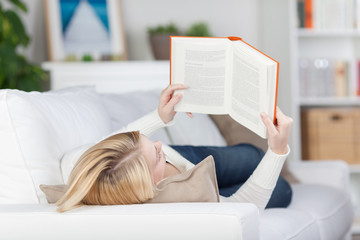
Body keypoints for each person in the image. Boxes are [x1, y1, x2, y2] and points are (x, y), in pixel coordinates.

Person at [56, 84, 293, 213]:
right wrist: (277, 151)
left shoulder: (79, 161)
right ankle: (224, 192)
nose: (160, 143)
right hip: (194, 180)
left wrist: (161, 117)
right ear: (151, 187)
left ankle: (224, 185)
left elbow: (123, 138)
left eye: (148, 143)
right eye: (157, 155)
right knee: (282, 189)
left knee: (252, 154)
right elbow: (244, 206)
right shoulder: (178, 201)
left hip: (187, 157)